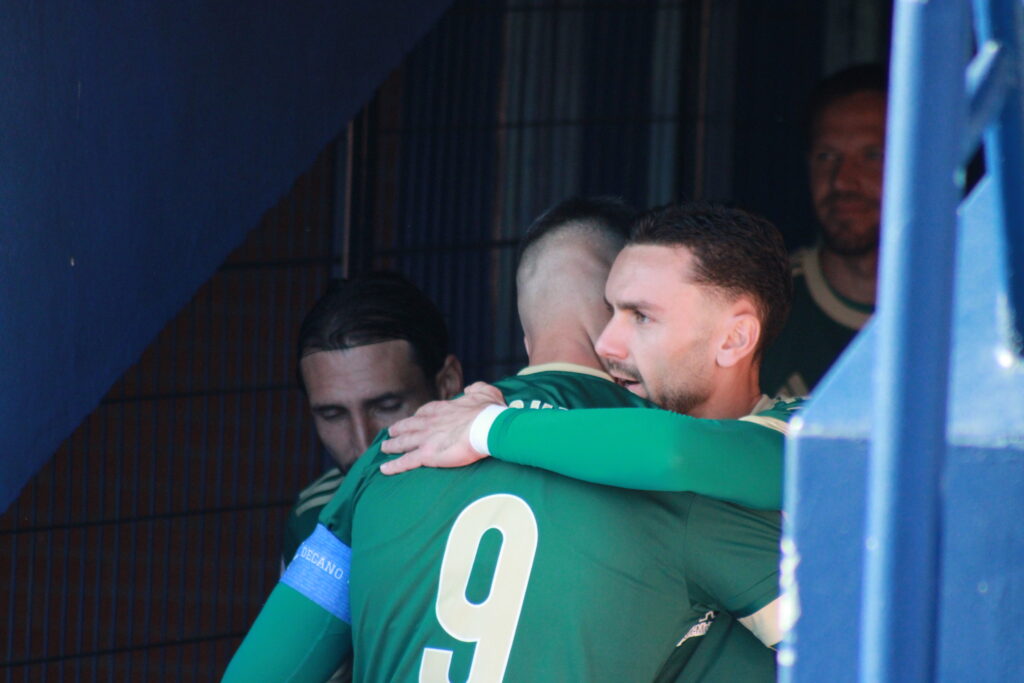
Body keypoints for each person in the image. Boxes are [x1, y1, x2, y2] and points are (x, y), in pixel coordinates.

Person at [222, 200, 793, 682]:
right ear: (603, 318)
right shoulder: (679, 487)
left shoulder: (403, 447)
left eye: (640, 315)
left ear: (524, 332)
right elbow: (835, 643)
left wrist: (488, 427)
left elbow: (261, 672)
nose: (615, 341)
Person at [282, 272, 463, 568]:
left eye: (386, 406)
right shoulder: (315, 517)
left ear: (448, 384)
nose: (364, 443)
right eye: (332, 415)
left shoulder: (511, 492)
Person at [760, 63, 887, 397]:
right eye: (827, 156)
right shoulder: (762, 309)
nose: (842, 180)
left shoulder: (966, 304)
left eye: (872, 155)